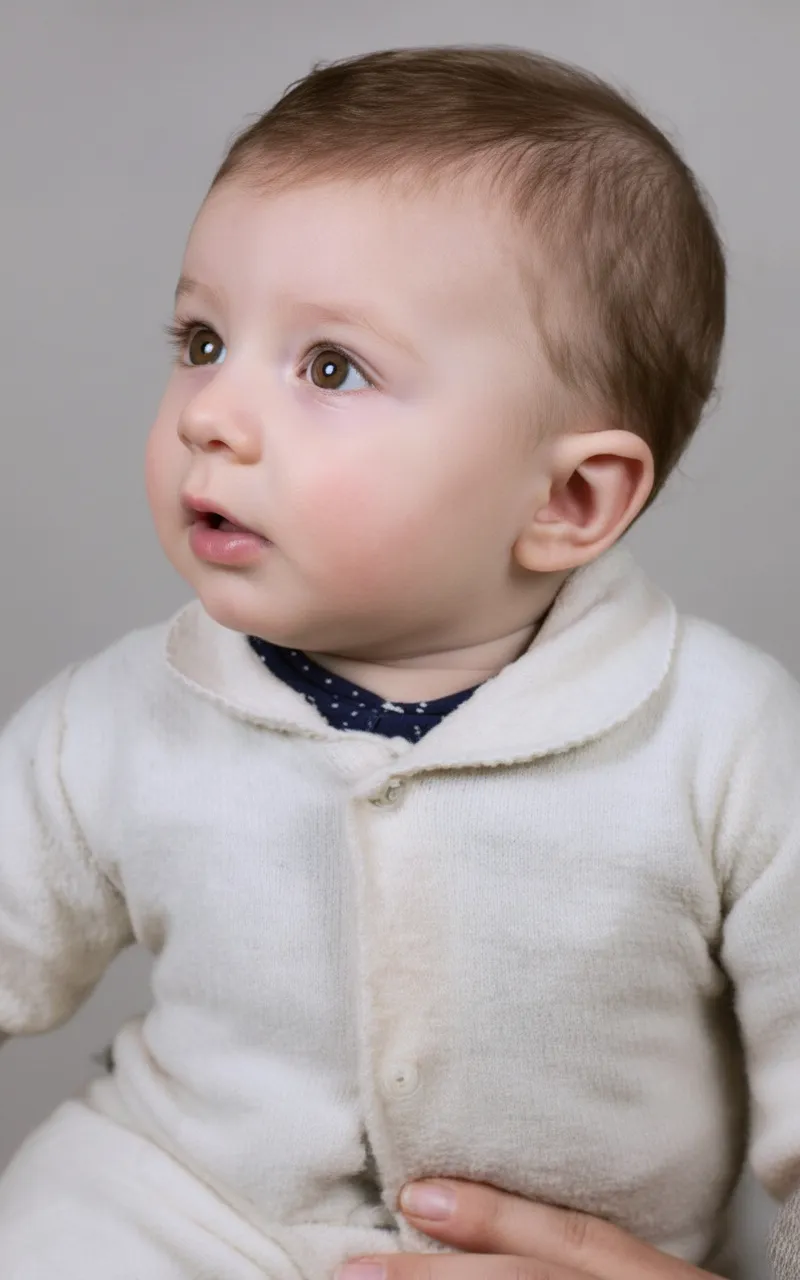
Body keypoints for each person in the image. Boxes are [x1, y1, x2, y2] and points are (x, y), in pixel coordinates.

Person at [0, 43, 797, 1280]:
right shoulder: (109, 720)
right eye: (202, 338)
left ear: (570, 498)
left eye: (331, 366)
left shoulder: (728, 747)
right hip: (173, 1208)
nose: (208, 412)